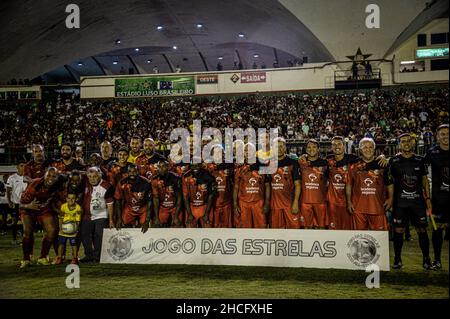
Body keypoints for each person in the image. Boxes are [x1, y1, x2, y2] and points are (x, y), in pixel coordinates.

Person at [388, 133, 434, 270]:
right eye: (403, 141)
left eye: (408, 141)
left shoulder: (420, 160)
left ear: (412, 143)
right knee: (399, 230)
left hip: (417, 203)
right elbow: (390, 183)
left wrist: (427, 198)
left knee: (421, 230)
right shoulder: (393, 161)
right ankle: (397, 259)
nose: (406, 143)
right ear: (399, 144)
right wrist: (390, 199)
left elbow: (425, 181)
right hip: (400, 203)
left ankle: (426, 259)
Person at [19, 167, 64, 268]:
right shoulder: (35, 184)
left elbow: (59, 198)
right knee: (28, 232)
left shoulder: (59, 184)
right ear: (44, 175)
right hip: (28, 209)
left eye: (54, 176)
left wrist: (60, 210)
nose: (51, 178)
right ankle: (26, 259)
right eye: (48, 175)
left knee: (52, 230)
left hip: (44, 209)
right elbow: (20, 205)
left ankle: (43, 257)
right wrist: (28, 205)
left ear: (58, 177)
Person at [345, 138, 394, 230]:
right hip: (358, 208)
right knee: (359, 238)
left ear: (374, 149)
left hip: (377, 207)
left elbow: (390, 183)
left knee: (379, 238)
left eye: (371, 147)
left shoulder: (382, 164)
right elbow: (349, 184)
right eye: (365, 147)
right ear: (360, 150)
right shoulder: (353, 165)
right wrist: (348, 201)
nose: (368, 149)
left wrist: (391, 198)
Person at [423, 124, 449, 269]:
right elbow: (423, 174)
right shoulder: (432, 153)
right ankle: (437, 260)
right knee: (437, 229)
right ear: (437, 137)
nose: (446, 136)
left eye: (448, 134)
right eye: (443, 134)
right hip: (439, 198)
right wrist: (427, 197)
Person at [80, 166, 114, 263]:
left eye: (94, 176)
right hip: (87, 215)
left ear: (100, 175)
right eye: (90, 176)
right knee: (85, 234)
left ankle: (97, 256)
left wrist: (111, 220)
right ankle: (89, 255)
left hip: (101, 215)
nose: (92, 179)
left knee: (99, 235)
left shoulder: (107, 186)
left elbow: (110, 204)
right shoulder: (85, 183)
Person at [233, 143, 270, 228]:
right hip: (243, 203)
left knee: (261, 228)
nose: (248, 152)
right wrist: (235, 204)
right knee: (245, 229)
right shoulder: (239, 167)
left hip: (259, 202)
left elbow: (267, 185)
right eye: (245, 150)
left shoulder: (262, 165)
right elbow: (236, 187)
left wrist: (267, 203)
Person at [269, 138, 301, 229]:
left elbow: (297, 184)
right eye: (276, 147)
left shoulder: (293, 162)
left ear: (285, 147)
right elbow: (266, 185)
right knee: (276, 233)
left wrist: (295, 202)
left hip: (289, 204)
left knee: (294, 230)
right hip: (275, 205)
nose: (279, 149)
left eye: (281, 146)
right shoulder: (268, 164)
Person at [298, 139, 329, 229]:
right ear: (306, 149)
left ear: (318, 149)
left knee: (321, 228)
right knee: (306, 228)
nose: (311, 149)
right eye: (309, 147)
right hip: (305, 202)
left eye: (314, 147)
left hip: (320, 202)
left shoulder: (325, 163)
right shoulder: (300, 162)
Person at [114, 164, 151, 232]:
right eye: (130, 171)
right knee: (124, 224)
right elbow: (118, 200)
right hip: (130, 207)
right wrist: (119, 218)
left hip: (143, 208)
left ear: (138, 171)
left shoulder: (146, 182)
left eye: (134, 171)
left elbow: (149, 202)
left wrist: (147, 220)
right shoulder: (122, 182)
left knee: (144, 227)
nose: (132, 173)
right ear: (127, 173)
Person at [205, 145, 234, 228]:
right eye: (216, 153)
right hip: (213, 204)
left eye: (220, 152)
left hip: (226, 203)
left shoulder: (229, 167)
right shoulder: (207, 168)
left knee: (227, 228)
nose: (218, 155)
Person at [183, 161, 217, 228]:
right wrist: (189, 213)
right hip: (192, 206)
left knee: (208, 231)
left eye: (197, 165)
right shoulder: (186, 176)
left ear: (201, 165)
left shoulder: (209, 176)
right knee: (190, 232)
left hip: (205, 206)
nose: (195, 168)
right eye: (193, 165)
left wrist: (207, 214)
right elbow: (185, 196)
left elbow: (211, 195)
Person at [54, 193, 82, 265]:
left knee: (73, 244)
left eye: (73, 198)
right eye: (69, 198)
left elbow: (78, 220)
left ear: (75, 199)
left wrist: (76, 229)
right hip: (63, 229)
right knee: (61, 244)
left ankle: (75, 258)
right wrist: (60, 228)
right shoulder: (63, 206)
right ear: (66, 199)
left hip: (73, 230)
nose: (71, 200)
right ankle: (60, 257)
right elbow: (60, 218)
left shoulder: (78, 208)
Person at [152, 160, 182, 227]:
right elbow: (156, 199)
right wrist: (156, 217)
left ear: (168, 167)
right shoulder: (154, 180)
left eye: (163, 166)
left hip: (174, 207)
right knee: (157, 224)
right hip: (163, 207)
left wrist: (176, 216)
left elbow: (179, 198)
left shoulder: (176, 178)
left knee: (178, 224)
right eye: (159, 167)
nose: (161, 169)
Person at [6, 160, 27, 245]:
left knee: (25, 222)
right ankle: (14, 239)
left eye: (24, 166)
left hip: (25, 204)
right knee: (14, 222)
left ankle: (23, 239)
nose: (23, 167)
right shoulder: (12, 177)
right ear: (17, 167)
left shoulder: (27, 177)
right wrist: (9, 202)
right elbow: (8, 191)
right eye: (21, 165)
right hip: (15, 203)